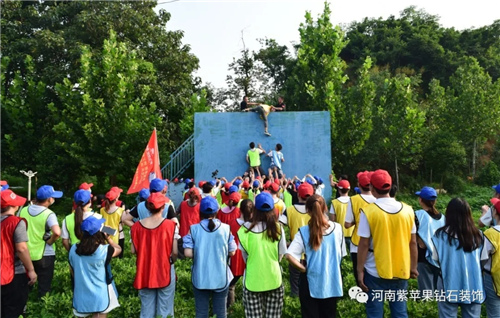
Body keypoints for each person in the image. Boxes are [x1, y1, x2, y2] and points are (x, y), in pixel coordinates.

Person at [357, 169, 417, 318]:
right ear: (390, 186)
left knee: (375, 313)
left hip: (374, 270)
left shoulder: (369, 211)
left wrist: (359, 271)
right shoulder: (408, 210)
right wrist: (413, 267)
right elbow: (413, 243)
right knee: (400, 312)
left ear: (371, 188)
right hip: (401, 270)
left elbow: (364, 244)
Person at [286, 195, 346, 318]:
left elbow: (289, 255)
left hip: (310, 283)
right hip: (332, 282)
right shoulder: (338, 229)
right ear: (325, 208)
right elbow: (341, 254)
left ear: (307, 210)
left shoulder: (303, 231)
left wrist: (302, 269)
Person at [183, 196, 236, 318]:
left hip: (200, 277)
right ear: (217, 211)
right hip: (221, 276)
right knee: (221, 312)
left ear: (200, 212)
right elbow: (232, 252)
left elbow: (187, 253)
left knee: (201, 313)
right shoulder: (226, 228)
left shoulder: (194, 229)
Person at [431, 198, 485, 318]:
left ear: (448, 214)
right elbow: (483, 259)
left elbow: (435, 259)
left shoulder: (440, 235)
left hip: (448, 282)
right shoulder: (478, 235)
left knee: (447, 314)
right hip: (474, 284)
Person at [238, 192, 287, 317]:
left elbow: (245, 257)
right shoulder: (278, 228)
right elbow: (280, 256)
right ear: (272, 209)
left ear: (254, 209)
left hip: (252, 281)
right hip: (274, 279)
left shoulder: (244, 230)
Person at [131, 192, 178, 318]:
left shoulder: (136, 227)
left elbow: (133, 251)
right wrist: (172, 261)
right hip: (165, 269)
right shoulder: (171, 225)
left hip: (144, 270)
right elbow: (174, 252)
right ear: (163, 207)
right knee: (165, 309)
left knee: (146, 309)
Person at [69, 216, 121, 317]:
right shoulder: (104, 250)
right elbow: (118, 249)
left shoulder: (73, 249)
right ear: (98, 232)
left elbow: (72, 270)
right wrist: (108, 238)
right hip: (101, 293)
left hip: (82, 292)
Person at [19, 185, 62, 297]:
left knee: (25, 284)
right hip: (44, 254)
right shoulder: (49, 214)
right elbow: (57, 232)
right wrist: (50, 241)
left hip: (26, 254)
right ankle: (43, 309)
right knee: (44, 286)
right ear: (49, 199)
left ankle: (24, 308)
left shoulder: (23, 210)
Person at [1, 189, 37, 318]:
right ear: (13, 206)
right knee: (12, 310)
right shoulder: (16, 222)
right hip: (12, 273)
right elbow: (21, 248)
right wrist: (31, 270)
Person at [279, 182, 314, 297]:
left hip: (295, 252)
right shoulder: (315, 210)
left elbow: (278, 227)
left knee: (295, 281)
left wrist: (285, 244)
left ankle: (295, 301)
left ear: (298, 195)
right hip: (314, 250)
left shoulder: (289, 210)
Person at [344, 171, 376, 285]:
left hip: (357, 242)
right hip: (376, 242)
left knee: (359, 271)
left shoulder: (353, 200)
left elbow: (347, 224)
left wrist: (357, 222)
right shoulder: (377, 199)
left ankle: (361, 294)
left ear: (359, 185)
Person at [414, 186, 445, 293]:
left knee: (426, 290)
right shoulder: (442, 217)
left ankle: (426, 309)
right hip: (440, 256)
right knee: (438, 289)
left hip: (423, 257)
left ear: (421, 200)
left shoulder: (418, 215)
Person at [227, 199, 253, 307]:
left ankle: (231, 308)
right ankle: (248, 305)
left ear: (240, 210)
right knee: (250, 285)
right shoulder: (253, 225)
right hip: (250, 256)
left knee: (231, 285)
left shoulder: (232, 223)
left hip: (236, 258)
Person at [483, 198, 500, 318]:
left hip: (493, 278)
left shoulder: (491, 233)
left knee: (494, 311)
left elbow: (483, 258)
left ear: (494, 212)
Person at [99, 187, 125, 258]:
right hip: (118, 235)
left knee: (107, 255)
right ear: (116, 199)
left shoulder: (102, 210)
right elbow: (122, 223)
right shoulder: (120, 210)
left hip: (105, 234)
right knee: (118, 256)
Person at [329, 179, 353, 248]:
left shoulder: (334, 202)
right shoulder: (353, 201)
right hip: (352, 232)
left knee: (339, 255)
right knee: (353, 256)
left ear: (339, 190)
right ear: (349, 189)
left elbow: (332, 220)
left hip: (339, 233)